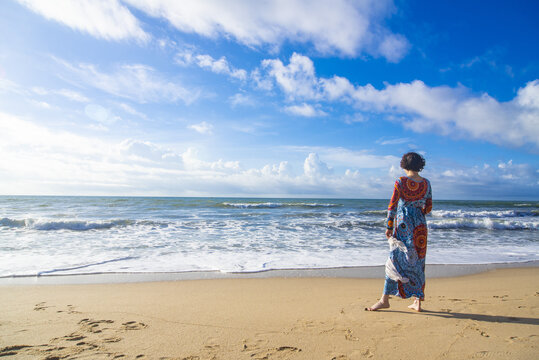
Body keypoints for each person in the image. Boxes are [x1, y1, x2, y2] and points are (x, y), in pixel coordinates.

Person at [367, 152, 432, 312]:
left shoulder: (401, 181)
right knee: (418, 262)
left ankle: (385, 299)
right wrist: (418, 211)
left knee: (395, 260)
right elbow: (428, 207)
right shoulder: (426, 183)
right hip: (420, 227)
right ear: (419, 165)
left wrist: (389, 226)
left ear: (404, 165)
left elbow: (393, 205)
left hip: (404, 224)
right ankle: (417, 301)